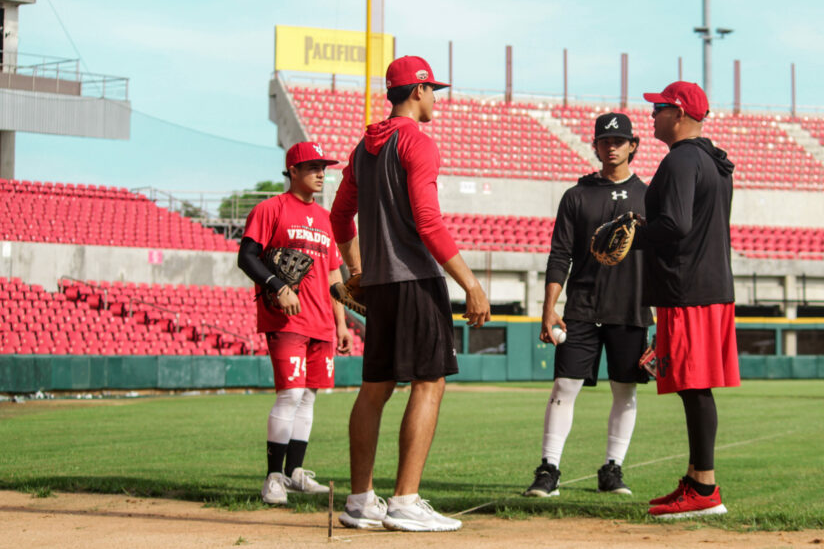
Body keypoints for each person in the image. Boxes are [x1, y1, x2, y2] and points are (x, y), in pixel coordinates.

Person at [329, 55, 491, 532]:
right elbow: (428, 222)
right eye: (431, 90)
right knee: (429, 383)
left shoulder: (364, 147)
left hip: (379, 285)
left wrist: (358, 267)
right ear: (417, 91)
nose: (434, 98)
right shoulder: (417, 142)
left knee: (374, 389)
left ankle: (360, 501)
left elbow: (340, 219)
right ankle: (404, 501)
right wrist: (471, 283)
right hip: (416, 282)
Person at [523, 113, 653, 498]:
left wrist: (664, 317)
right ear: (595, 146)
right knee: (564, 386)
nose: (611, 146)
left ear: (633, 145)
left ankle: (612, 469)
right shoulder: (576, 195)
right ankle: (549, 468)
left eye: (619, 140)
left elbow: (664, 261)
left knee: (625, 391)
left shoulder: (650, 197)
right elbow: (559, 254)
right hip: (581, 307)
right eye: (604, 140)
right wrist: (549, 308)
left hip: (630, 309)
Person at [634, 82, 740, 519]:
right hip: (708, 285)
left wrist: (635, 233)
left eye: (658, 108)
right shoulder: (710, 160)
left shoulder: (681, 159)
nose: (652, 115)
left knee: (694, 388)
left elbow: (675, 225)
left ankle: (705, 489)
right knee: (694, 387)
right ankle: (698, 480)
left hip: (688, 289)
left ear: (678, 114)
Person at [237, 141, 353, 505]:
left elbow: (334, 274)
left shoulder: (325, 219)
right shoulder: (270, 209)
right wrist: (277, 284)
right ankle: (273, 477)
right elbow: (247, 256)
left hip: (322, 322)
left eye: (324, 167)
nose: (321, 173)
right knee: (289, 395)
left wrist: (343, 323)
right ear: (293, 171)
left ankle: (295, 473)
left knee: (308, 398)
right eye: (313, 167)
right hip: (286, 319)